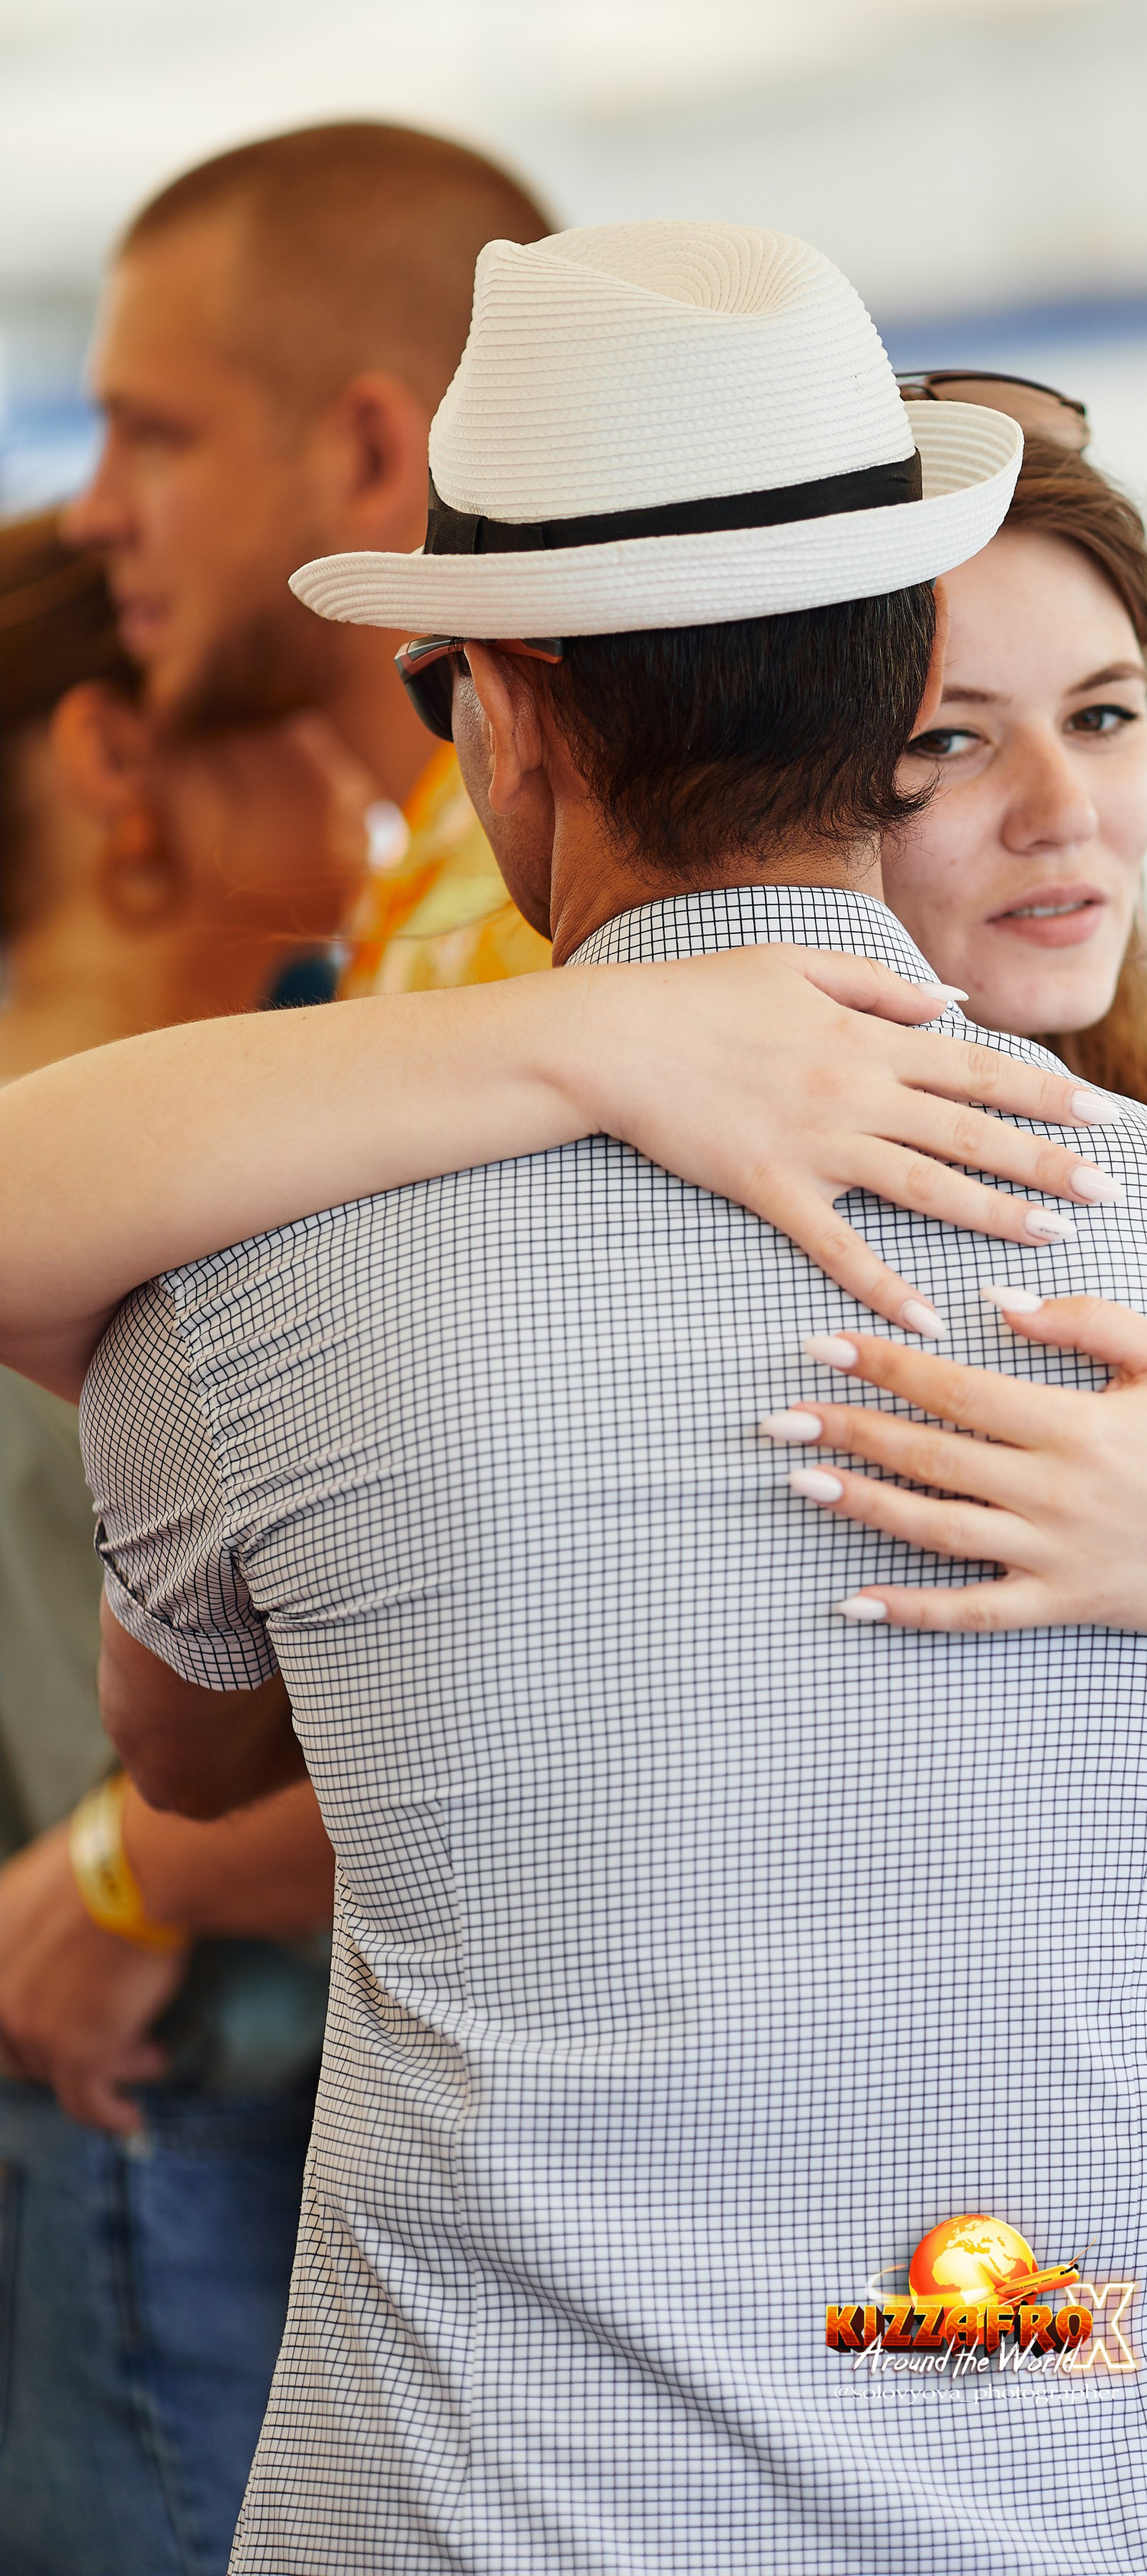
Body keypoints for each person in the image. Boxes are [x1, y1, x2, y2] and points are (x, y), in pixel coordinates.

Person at [0, 387, 1147, 2567]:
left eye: (1107, 718)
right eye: (951, 741)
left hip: (1050, 2332)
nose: (1056, 817)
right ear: (817, 748)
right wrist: (595, 1035)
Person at [0, 512, 365, 2574]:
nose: (388, 774)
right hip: (182, 2115)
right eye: (304, 721)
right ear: (117, 775)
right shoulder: (139, 1184)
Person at [62, 118, 559, 997]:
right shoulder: (467, 893)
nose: (91, 516)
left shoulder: (532, 931)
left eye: (154, 436)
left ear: (367, 458)